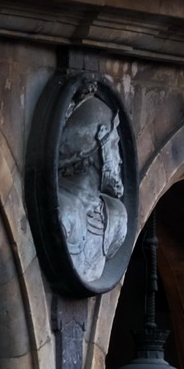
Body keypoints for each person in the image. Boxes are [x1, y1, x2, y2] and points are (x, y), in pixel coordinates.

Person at [56, 88, 129, 287]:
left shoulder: (117, 217)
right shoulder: (64, 210)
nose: (121, 160)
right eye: (115, 146)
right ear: (99, 149)